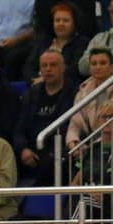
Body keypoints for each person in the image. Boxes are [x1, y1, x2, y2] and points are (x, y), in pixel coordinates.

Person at [14, 49, 77, 187]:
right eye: (44, 65)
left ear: (63, 68)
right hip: (31, 151)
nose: (48, 69)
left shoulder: (73, 93)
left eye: (53, 65)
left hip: (58, 152)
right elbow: (19, 127)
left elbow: (70, 127)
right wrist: (23, 149)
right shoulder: (31, 94)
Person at [66, 47, 113, 153]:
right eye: (94, 64)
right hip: (91, 147)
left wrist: (91, 149)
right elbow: (75, 123)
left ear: (112, 67)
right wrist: (73, 142)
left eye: (103, 63)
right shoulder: (83, 90)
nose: (98, 67)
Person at [23, 1, 90, 85]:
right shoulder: (43, 43)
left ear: (74, 23)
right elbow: (28, 68)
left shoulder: (82, 44)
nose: (60, 24)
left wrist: (45, 79)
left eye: (65, 21)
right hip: (39, 86)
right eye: (57, 20)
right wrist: (35, 80)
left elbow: (75, 70)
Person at [0, 0, 36, 82]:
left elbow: (37, 28)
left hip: (23, 43)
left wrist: (16, 40)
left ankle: (5, 89)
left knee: (11, 59)